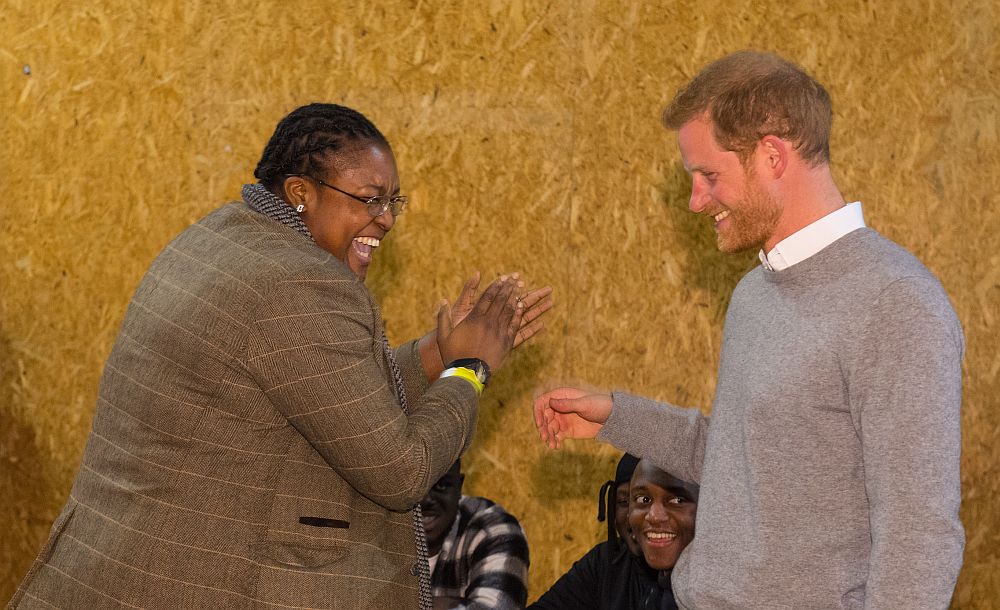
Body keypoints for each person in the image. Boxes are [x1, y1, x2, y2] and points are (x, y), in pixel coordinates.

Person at [11, 103, 553, 610]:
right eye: (369, 199)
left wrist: (439, 353)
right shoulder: (302, 284)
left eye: (394, 201)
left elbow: (331, 395)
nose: (386, 219)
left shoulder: (222, 237)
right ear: (301, 193)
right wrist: (471, 369)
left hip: (114, 569)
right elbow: (401, 470)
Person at [534, 50, 964, 609]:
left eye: (709, 175)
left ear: (772, 155)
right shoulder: (755, 293)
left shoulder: (896, 304)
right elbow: (748, 457)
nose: (695, 201)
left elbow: (919, 536)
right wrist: (616, 416)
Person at [530, 453, 664, 610]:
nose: (632, 516)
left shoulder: (692, 575)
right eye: (623, 502)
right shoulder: (605, 562)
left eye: (645, 501)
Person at [419, 460, 528, 609]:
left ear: (459, 487)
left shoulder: (492, 530)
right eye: (414, 488)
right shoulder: (378, 525)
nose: (425, 499)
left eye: (441, 486)